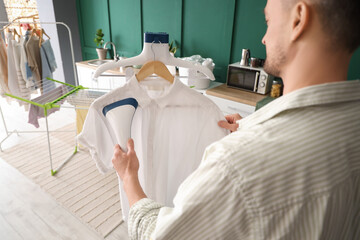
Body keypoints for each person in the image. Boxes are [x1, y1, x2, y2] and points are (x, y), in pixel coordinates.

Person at [112, 0, 360, 239]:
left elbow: (162, 236)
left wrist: (129, 178)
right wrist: (251, 126)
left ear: (298, 19)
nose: (264, 38)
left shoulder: (235, 165)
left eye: (268, 20)